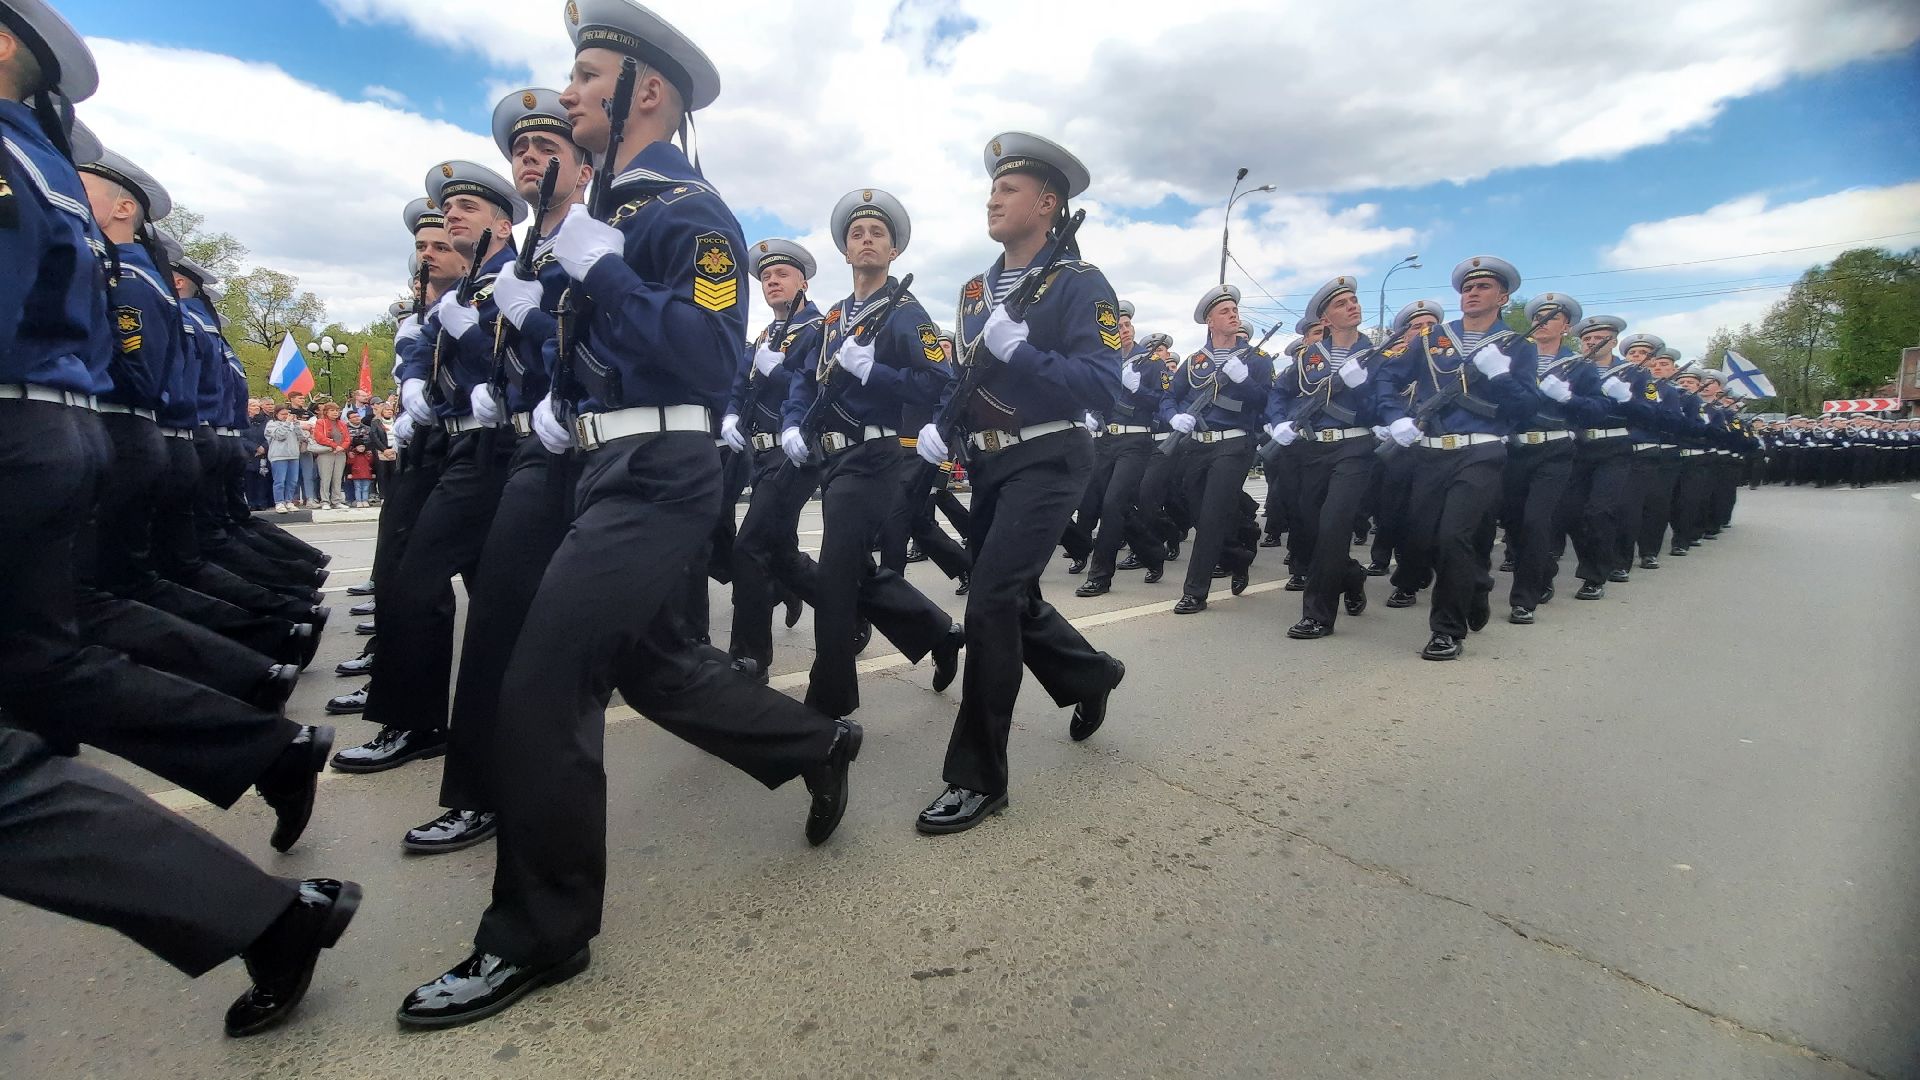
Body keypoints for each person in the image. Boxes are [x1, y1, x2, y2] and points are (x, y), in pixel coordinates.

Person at [396, 2, 858, 1027]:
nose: (566, 95)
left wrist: (595, 264)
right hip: (607, 462)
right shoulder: (615, 208)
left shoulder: (688, 211)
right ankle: (812, 746)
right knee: (650, 668)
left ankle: (539, 935)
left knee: (543, 679)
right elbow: (596, 348)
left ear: (646, 91)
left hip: (663, 464)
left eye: (586, 74)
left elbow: (706, 358)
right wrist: (555, 372)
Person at [909, 131, 1127, 834]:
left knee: (990, 599)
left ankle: (978, 778)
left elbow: (1103, 387)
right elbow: (966, 373)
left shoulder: (1080, 282)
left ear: (1047, 203)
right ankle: (1090, 675)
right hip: (992, 461)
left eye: (1008, 189)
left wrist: (1023, 351)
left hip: (1052, 454)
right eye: (992, 188)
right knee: (1014, 595)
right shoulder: (975, 289)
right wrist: (943, 423)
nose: (993, 198)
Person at [330, 159, 526, 773]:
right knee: (470, 590)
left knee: (422, 583)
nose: (450, 221)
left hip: (496, 446)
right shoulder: (468, 289)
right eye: (446, 213)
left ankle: (422, 721)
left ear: (500, 220)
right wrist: (414, 380)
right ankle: (418, 714)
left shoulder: (519, 276)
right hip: (454, 443)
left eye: (464, 212)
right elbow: (422, 343)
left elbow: (534, 351)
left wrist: (476, 358)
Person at [779, 188, 962, 720]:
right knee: (855, 569)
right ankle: (939, 633)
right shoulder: (834, 317)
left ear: (894, 250)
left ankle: (828, 705)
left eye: (876, 234)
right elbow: (803, 379)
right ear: (844, 249)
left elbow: (939, 379)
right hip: (832, 461)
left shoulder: (905, 312)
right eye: (857, 234)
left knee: (836, 580)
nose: (865, 240)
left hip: (876, 454)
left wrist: (871, 370)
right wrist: (793, 423)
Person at [1373, 256, 1538, 660]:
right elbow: (1387, 377)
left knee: (1454, 536)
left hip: (1481, 451)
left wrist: (1501, 376)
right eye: (1467, 288)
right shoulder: (1431, 338)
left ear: (1503, 297)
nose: (1472, 293)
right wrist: (1395, 418)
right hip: (1431, 455)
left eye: (1483, 288)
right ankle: (1476, 585)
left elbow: (1528, 407)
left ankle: (1446, 630)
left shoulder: (1517, 346)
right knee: (1426, 537)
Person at [1266, 276, 1381, 639]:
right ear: (1326, 319)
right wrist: (1278, 423)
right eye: (1342, 303)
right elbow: (1278, 394)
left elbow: (1386, 404)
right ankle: (1350, 574)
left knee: (1333, 525)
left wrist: (1364, 386)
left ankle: (1317, 615)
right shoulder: (1308, 358)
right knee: (1311, 528)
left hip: (1354, 449)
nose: (1352, 305)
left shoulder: (1377, 356)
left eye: (1354, 300)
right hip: (1311, 451)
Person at [1163, 284, 1271, 614]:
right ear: (1210, 321)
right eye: (1224, 311)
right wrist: (1174, 416)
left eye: (1235, 310)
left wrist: (1245, 381)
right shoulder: (1195, 361)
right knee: (1195, 509)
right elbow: (1169, 395)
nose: (1233, 314)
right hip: (1196, 446)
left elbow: (1267, 403)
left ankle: (1195, 591)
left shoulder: (1257, 359)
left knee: (1210, 516)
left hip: (1235, 444)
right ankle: (1238, 557)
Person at [265, 405, 306, 511]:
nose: (285, 416)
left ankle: (289, 501)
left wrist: (296, 424)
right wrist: (287, 423)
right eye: (282, 414)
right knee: (279, 480)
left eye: (287, 414)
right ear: (276, 414)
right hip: (278, 456)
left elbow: (302, 437)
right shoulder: (271, 424)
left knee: (292, 480)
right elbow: (280, 435)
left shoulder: (292, 424)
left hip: (293, 455)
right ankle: (279, 502)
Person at [310, 401, 348, 509]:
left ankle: (336, 500)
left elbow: (347, 438)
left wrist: (342, 447)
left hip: (340, 453)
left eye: (336, 410)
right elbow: (320, 437)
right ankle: (325, 501)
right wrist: (334, 445)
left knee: (338, 477)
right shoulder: (321, 422)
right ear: (326, 412)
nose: (335, 413)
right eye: (332, 410)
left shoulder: (342, 424)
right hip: (326, 453)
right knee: (325, 478)